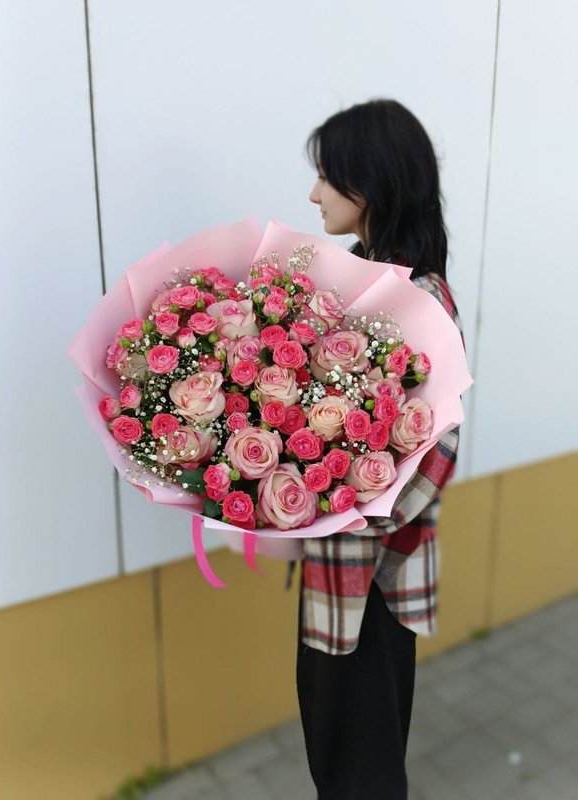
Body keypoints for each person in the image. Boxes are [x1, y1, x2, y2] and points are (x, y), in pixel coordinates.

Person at [295, 98, 464, 800]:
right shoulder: (353, 277)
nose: (314, 194)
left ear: (369, 183)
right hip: (332, 571)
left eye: (326, 176)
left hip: (375, 581)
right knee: (334, 756)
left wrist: (340, 512)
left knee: (362, 774)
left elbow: (438, 450)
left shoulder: (419, 298)